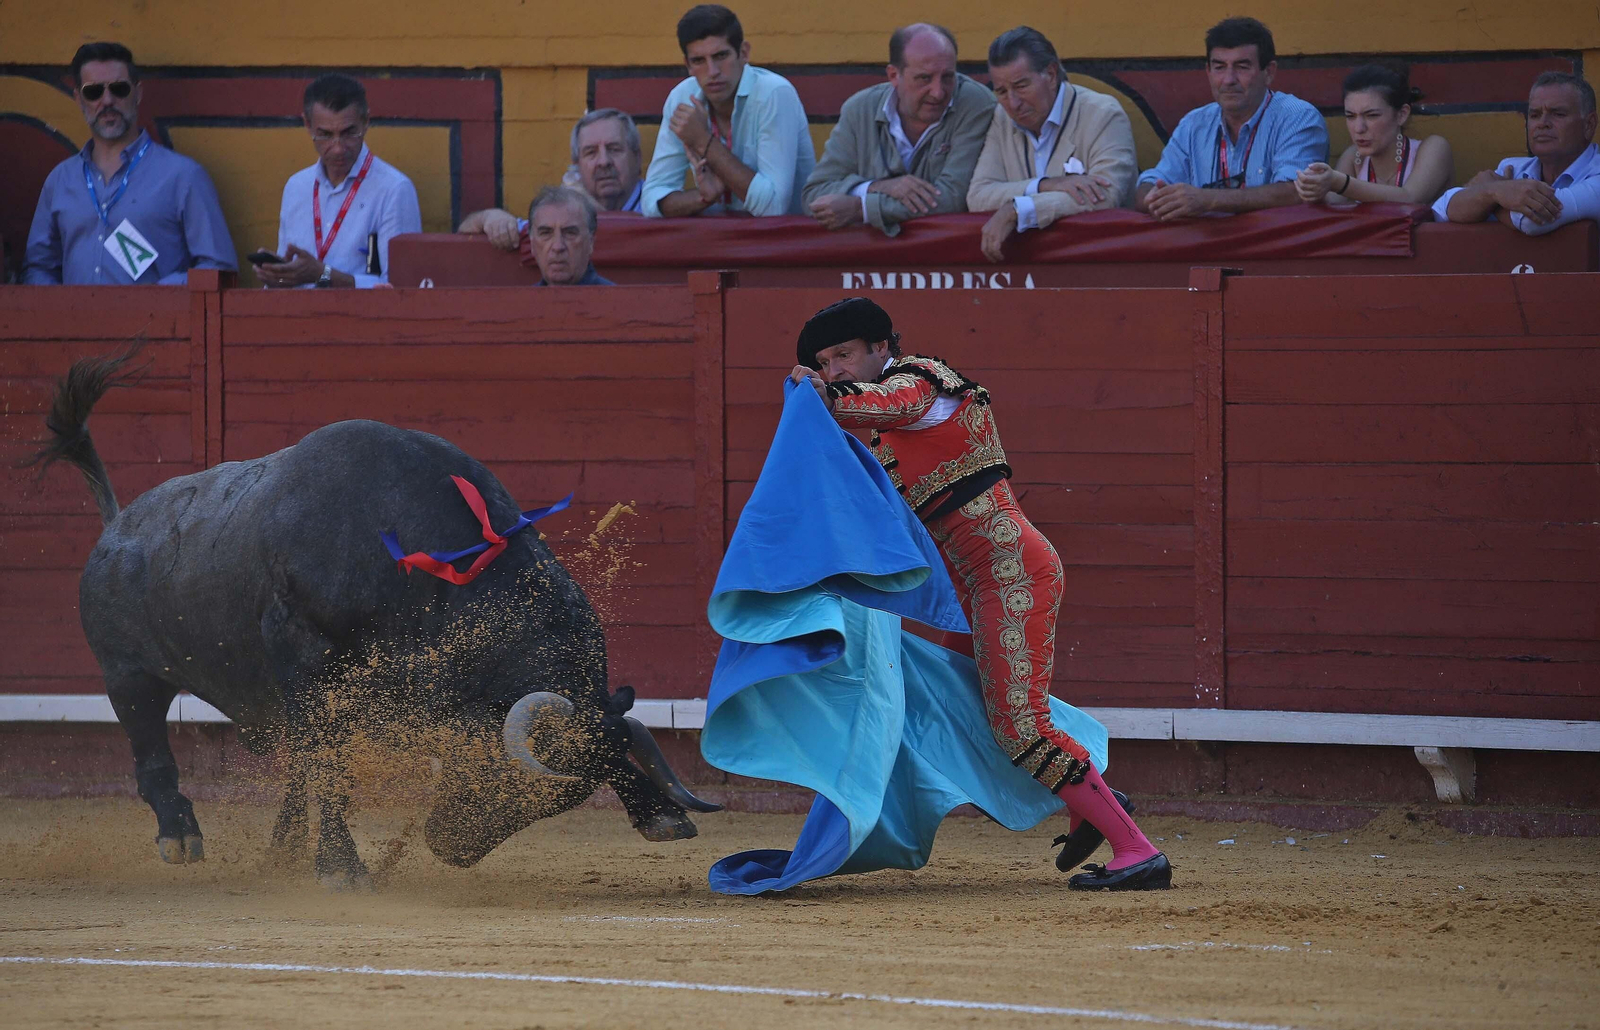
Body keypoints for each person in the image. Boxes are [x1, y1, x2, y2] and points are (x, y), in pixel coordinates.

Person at [787, 299, 1171, 892]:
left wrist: (823, 397)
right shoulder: (888, 435)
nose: (833, 368)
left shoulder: (919, 382)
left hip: (1011, 573)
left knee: (1020, 722)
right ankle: (1093, 799)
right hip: (974, 585)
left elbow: (872, 406)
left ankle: (1137, 850)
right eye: (824, 361)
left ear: (881, 349)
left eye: (843, 354)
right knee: (961, 700)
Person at [23, 42, 235, 285]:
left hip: (158, 322)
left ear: (138, 93)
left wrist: (160, 295)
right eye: (93, 92)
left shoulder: (183, 177)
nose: (107, 101)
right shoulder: (59, 181)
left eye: (119, 89)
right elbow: (38, 267)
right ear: (79, 99)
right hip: (75, 322)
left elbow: (219, 267)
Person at [802, 24, 994, 236]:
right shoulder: (860, 109)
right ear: (894, 75)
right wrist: (877, 186)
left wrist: (862, 208)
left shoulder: (976, 104)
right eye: (924, 78)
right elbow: (814, 195)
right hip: (871, 262)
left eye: (948, 77)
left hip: (951, 260)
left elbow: (952, 198)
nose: (938, 92)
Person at [967, 26, 1138, 262]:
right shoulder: (1002, 117)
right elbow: (977, 195)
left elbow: (1107, 194)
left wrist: (1019, 209)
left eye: (1021, 86)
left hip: (1100, 266)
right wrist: (1045, 185)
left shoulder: (1103, 114)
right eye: (1001, 91)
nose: (1013, 103)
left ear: (1051, 74)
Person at [1133, 18, 1327, 221]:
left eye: (1242, 67)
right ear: (1208, 71)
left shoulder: (1298, 117)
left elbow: (1296, 192)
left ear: (1269, 72)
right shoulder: (1193, 124)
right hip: (1206, 250)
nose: (1228, 80)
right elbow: (1149, 183)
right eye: (1219, 67)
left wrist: (1208, 200)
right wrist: (1154, 198)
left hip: (1274, 251)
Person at [640, 5, 815, 217]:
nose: (712, 72)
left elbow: (773, 208)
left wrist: (703, 141)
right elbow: (651, 200)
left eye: (721, 56)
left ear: (743, 53)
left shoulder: (774, 94)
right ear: (687, 65)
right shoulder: (682, 98)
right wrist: (702, 198)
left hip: (785, 243)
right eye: (698, 61)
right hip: (716, 243)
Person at [258, 74, 421, 289]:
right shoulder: (296, 187)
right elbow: (290, 282)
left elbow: (400, 288)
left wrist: (321, 274)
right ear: (307, 125)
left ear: (366, 122)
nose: (338, 148)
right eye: (325, 135)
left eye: (349, 133)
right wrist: (277, 276)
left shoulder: (394, 190)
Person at [1432, 71, 1599, 236]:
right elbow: (1443, 209)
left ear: (1589, 125)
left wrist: (1489, 196)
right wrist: (1496, 192)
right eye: (1535, 115)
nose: (1542, 123)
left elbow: (1531, 222)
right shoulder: (1512, 167)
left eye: (1558, 114)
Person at [459, 109, 644, 251]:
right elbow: (466, 231)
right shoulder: (567, 208)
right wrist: (489, 218)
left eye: (614, 149)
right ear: (577, 165)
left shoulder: (660, 203)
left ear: (637, 158)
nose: (604, 161)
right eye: (591, 153)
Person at [1295, 64, 1452, 207]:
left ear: (1402, 115)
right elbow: (1334, 203)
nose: (1359, 128)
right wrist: (1313, 189)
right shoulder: (1353, 157)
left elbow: (1410, 197)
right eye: (1350, 116)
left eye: (1372, 115)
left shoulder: (1433, 147)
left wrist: (1339, 183)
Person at [527, 186, 613, 286]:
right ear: (532, 244)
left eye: (570, 233)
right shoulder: (521, 301)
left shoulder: (618, 300)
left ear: (591, 243)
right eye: (546, 233)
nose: (557, 247)